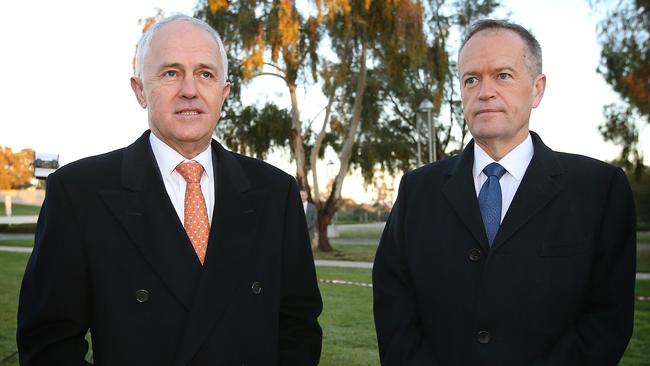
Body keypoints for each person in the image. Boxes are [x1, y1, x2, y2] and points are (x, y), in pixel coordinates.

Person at [17, 15, 322, 365]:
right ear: (140, 91)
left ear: (224, 93)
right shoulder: (78, 193)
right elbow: (48, 342)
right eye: (171, 73)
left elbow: (299, 328)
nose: (190, 90)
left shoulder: (274, 192)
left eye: (205, 74)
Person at [373, 19, 636, 366]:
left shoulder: (600, 189)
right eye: (471, 79)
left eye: (503, 75)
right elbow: (394, 306)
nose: (485, 91)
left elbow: (606, 321)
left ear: (537, 89)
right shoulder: (417, 190)